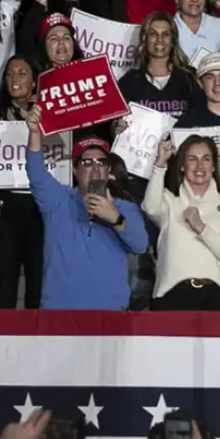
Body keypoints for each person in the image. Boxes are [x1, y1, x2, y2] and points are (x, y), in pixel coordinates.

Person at [23, 127, 148, 309]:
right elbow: (35, 171)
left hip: (109, 313)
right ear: (75, 170)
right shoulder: (58, 200)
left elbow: (141, 244)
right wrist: (35, 134)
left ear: (109, 170)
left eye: (101, 162)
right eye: (87, 163)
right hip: (60, 313)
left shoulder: (124, 209)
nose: (95, 169)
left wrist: (115, 218)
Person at [144, 134, 220, 309]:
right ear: (182, 166)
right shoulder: (170, 201)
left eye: (206, 159)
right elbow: (150, 208)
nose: (200, 165)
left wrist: (201, 228)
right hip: (171, 296)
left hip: (218, 298)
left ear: (214, 166)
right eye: (192, 159)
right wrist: (160, 164)